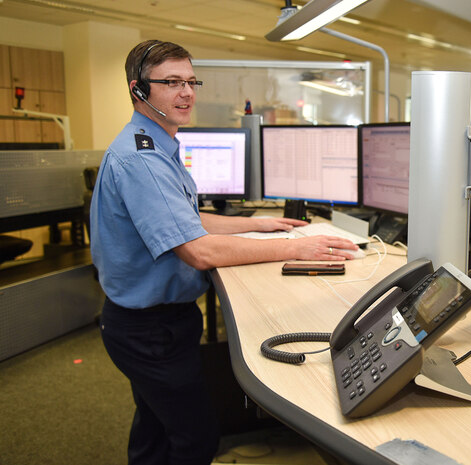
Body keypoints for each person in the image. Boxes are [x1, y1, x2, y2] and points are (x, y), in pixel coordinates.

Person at [90, 39, 357, 465]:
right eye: (171, 82)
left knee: (155, 428)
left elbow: (184, 222)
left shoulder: (156, 143)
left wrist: (257, 224)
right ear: (138, 90)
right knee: (194, 438)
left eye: (191, 81)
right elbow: (197, 251)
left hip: (147, 324)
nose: (187, 93)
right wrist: (297, 247)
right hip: (150, 330)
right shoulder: (142, 159)